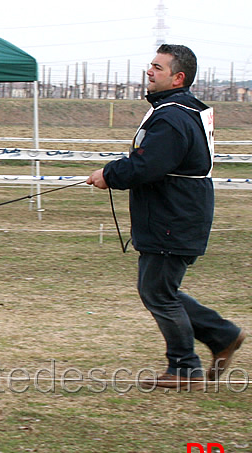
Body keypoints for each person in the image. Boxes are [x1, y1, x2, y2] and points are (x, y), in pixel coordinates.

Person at [86, 44, 245, 391]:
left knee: (158, 291)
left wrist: (109, 174)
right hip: (174, 213)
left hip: (173, 216)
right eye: (151, 66)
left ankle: (185, 366)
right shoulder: (177, 112)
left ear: (178, 77)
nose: (150, 72)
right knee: (159, 289)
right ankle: (221, 335)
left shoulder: (172, 117)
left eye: (158, 67)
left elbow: (148, 165)